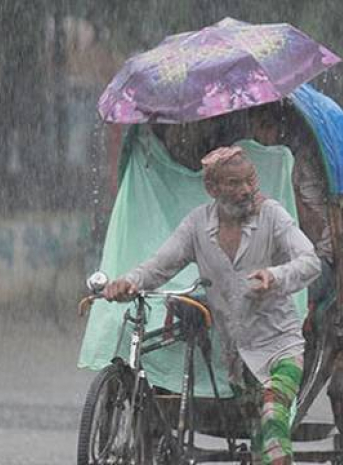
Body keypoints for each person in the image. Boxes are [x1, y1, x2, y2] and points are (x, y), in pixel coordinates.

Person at [103, 146, 321, 465]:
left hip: (281, 348)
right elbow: (159, 266)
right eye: (234, 183)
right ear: (213, 188)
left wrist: (275, 276)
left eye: (250, 181)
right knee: (260, 443)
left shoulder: (272, 216)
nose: (245, 190)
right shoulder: (197, 226)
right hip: (238, 359)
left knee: (273, 417)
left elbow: (310, 261)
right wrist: (129, 282)